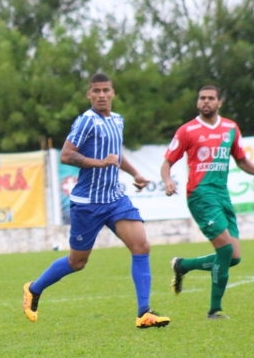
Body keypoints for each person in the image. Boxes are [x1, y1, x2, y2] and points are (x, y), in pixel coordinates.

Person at [23, 73, 171, 328]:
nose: (101, 95)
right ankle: (34, 289)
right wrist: (98, 163)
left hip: (114, 199)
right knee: (77, 262)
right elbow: (67, 155)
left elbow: (115, 155)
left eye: (106, 90)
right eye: (96, 91)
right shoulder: (86, 122)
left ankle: (144, 312)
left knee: (141, 246)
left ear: (113, 93)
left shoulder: (117, 121)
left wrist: (135, 173)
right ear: (89, 95)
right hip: (87, 203)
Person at [161, 85, 254, 319]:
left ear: (219, 102)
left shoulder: (231, 128)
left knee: (234, 257)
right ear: (197, 102)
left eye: (211, 98)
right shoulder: (187, 130)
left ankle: (183, 265)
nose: (206, 102)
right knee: (224, 249)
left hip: (222, 194)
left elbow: (242, 161)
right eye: (202, 98)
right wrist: (167, 180)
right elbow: (167, 163)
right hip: (200, 195)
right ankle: (215, 310)